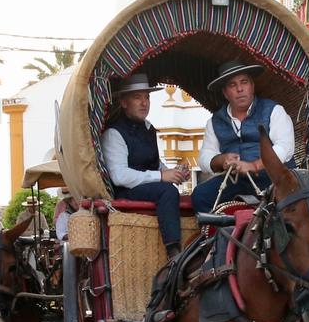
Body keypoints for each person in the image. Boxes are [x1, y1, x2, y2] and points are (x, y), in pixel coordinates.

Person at [102, 73, 189, 259]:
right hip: (126, 191)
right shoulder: (114, 133)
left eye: (147, 97)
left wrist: (176, 172)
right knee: (168, 191)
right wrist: (161, 177)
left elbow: (156, 164)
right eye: (137, 97)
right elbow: (119, 176)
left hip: (149, 187)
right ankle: (174, 251)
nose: (144, 103)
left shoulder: (148, 128)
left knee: (188, 196)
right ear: (124, 103)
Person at [191, 59, 296, 213]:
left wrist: (254, 166)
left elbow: (285, 148)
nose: (240, 89)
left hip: (275, 178)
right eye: (233, 85)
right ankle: (223, 235)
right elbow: (205, 157)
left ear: (252, 86)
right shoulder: (215, 122)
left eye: (244, 82)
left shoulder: (274, 110)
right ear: (225, 93)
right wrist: (222, 160)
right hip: (237, 181)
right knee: (200, 196)